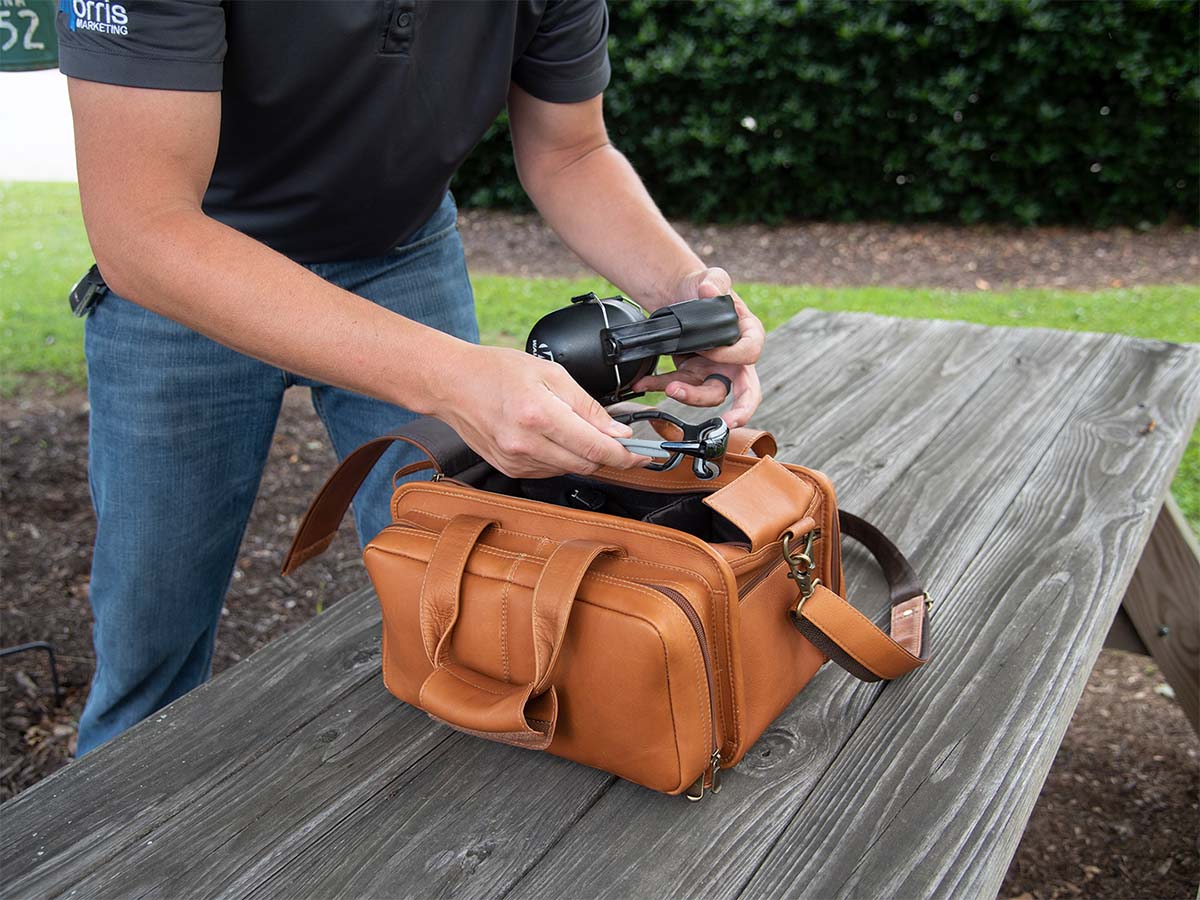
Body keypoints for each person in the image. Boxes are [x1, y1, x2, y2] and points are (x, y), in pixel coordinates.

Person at [56, 0, 765, 756]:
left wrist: (681, 294)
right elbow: (142, 227)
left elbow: (570, 152)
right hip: (181, 274)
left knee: (469, 602)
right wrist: (453, 377)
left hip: (399, 252)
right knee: (149, 631)